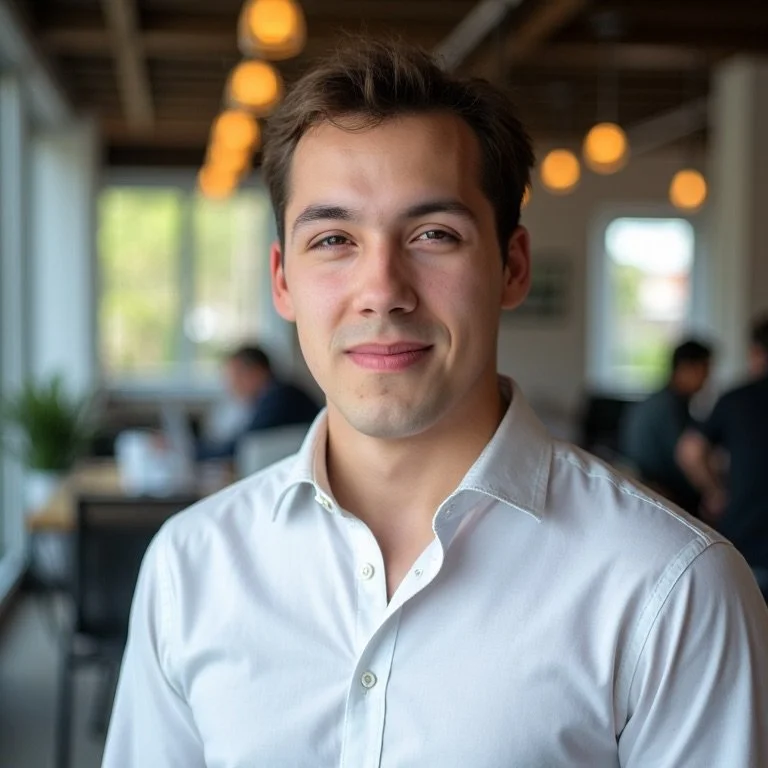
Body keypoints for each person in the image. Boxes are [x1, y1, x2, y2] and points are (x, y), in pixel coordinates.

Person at [103, 40, 768, 767]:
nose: (383, 288)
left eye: (433, 235)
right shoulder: (190, 568)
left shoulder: (672, 587)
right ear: (283, 280)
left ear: (511, 267)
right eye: (333, 239)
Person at [678, 316, 768, 597]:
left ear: (755, 352)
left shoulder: (737, 399)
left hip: (746, 537)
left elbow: (690, 450)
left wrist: (715, 492)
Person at [619, 339, 712, 515]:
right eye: (704, 369)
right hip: (662, 496)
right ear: (686, 368)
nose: (707, 379)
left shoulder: (660, 401)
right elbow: (688, 460)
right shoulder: (669, 408)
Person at [195, 344, 320, 461]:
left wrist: (198, 452)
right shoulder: (275, 393)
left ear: (256, 371)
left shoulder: (279, 398)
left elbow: (244, 443)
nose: (232, 385)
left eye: (236, 376)